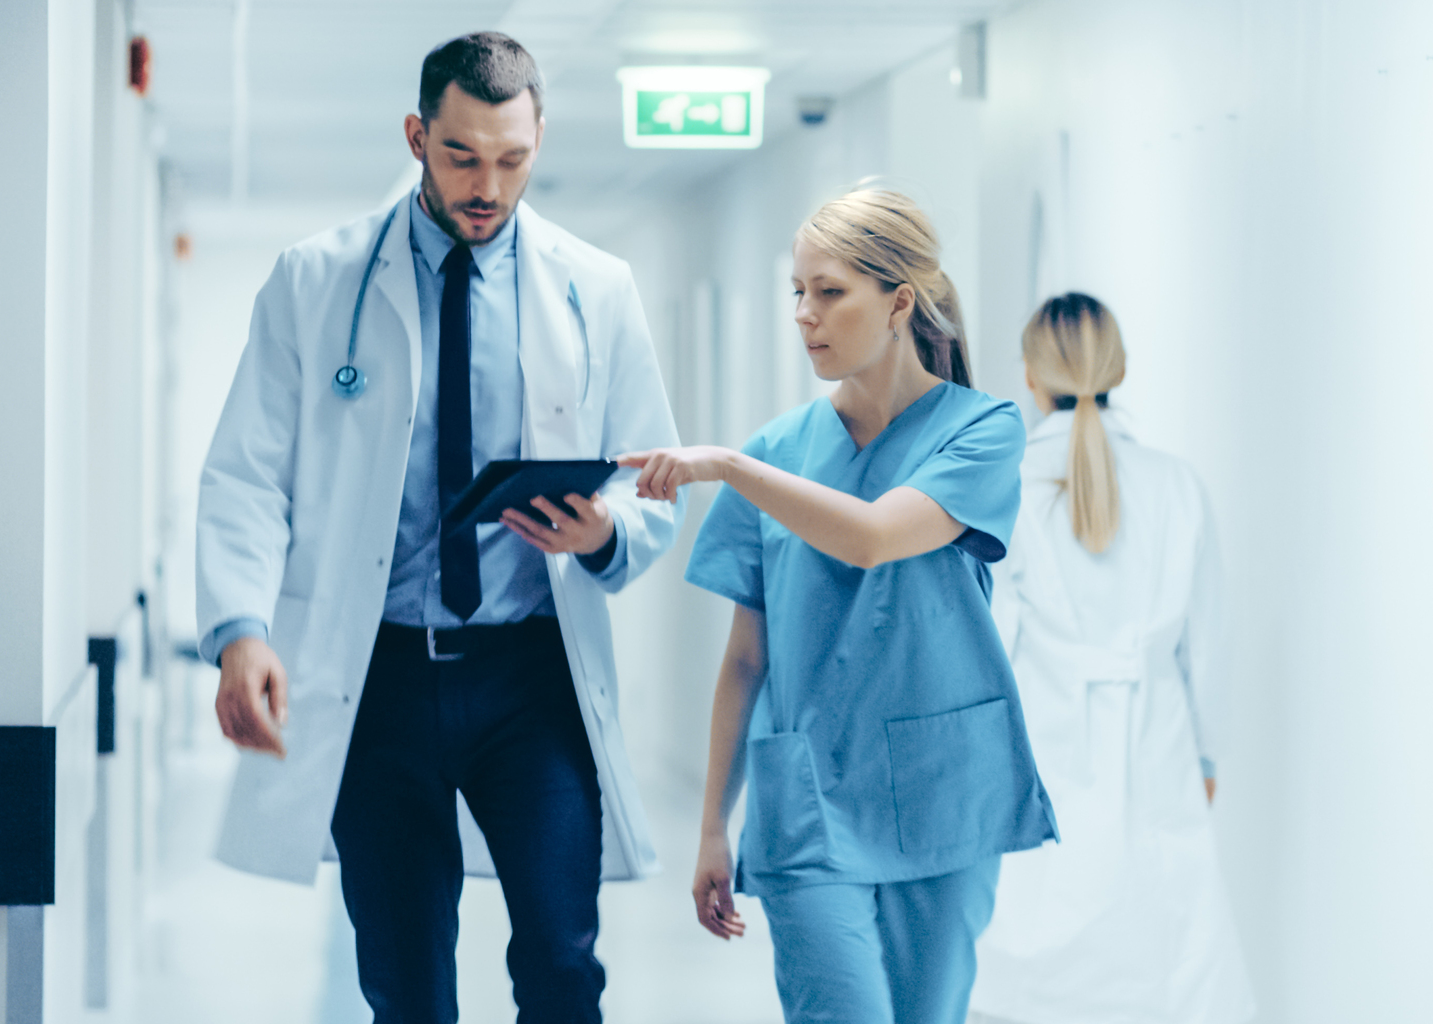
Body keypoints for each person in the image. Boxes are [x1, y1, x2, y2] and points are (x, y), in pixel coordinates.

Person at [195, 32, 683, 1023]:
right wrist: (241, 631)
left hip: (531, 680)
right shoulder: (315, 282)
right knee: (406, 979)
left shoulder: (598, 289)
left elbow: (653, 481)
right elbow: (246, 475)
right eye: (462, 156)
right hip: (378, 680)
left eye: (512, 159)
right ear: (417, 136)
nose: (487, 187)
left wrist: (600, 535)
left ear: (540, 136)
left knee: (560, 959)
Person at [620, 189, 1058, 1024]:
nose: (804, 314)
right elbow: (746, 660)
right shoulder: (778, 453)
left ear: (898, 302)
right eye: (797, 291)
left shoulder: (983, 430)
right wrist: (712, 824)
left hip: (943, 793)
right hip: (808, 801)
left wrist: (725, 467)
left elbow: (870, 537)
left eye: (829, 292)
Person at [967, 294, 1255, 1024]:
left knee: (1038, 955)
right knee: (1168, 959)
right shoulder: (1177, 485)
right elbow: (1208, 648)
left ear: (1030, 377)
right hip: (1158, 743)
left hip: (1045, 742)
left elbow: (990, 647)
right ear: (1117, 368)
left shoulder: (1007, 489)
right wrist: (1209, 761)